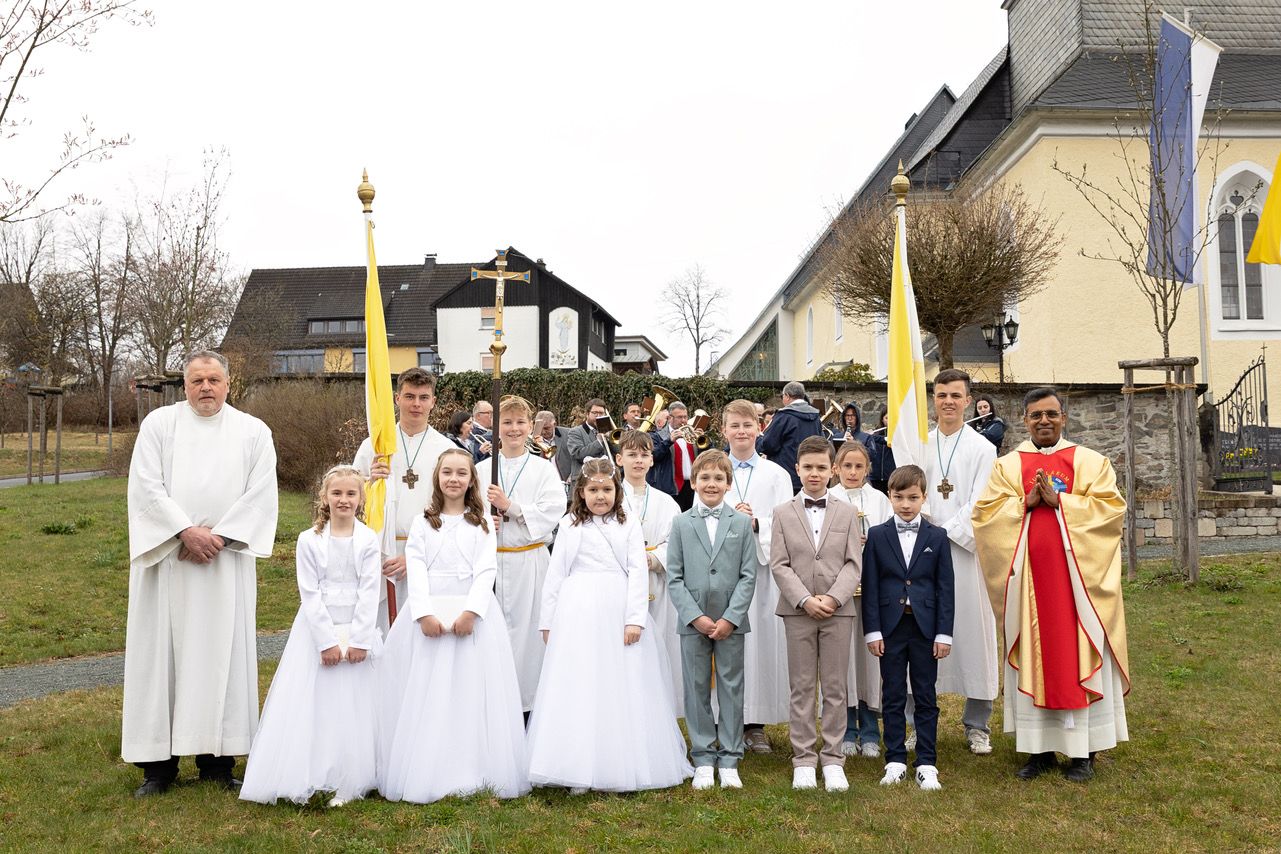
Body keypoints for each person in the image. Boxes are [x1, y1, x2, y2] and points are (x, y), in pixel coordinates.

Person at [122, 351, 279, 797]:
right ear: (184, 386)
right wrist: (184, 532)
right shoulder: (159, 426)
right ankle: (158, 767)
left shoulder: (252, 431)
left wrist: (220, 538)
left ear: (229, 384)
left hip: (223, 565)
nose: (206, 387)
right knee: (162, 660)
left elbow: (262, 493)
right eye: (197, 380)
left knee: (221, 656)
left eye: (214, 379)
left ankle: (218, 761)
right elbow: (145, 487)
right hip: (169, 562)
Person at [972, 387, 1129, 783]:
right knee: (1033, 654)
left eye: (1051, 414)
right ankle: (1037, 750)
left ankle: (1083, 753)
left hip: (1077, 589)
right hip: (1028, 586)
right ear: (1024, 420)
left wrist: (1063, 504)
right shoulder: (1007, 466)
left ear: (1064, 418)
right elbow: (986, 517)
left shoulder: (1092, 463)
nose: (1044, 421)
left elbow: (1111, 511)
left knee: (1076, 654)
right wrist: (1023, 503)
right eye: (1036, 415)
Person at [528, 458, 693, 793]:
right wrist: (548, 621)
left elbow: (636, 571)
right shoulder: (570, 524)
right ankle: (577, 764)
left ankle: (621, 761)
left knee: (620, 681)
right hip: (577, 611)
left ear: (616, 492)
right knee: (581, 682)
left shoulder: (628, 523)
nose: (600, 496)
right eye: (593, 490)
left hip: (617, 607)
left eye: (606, 489)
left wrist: (635, 619)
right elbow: (556, 574)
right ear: (581, 493)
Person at [378, 448, 529, 803]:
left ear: (471, 481)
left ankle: (472, 765)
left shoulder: (482, 524)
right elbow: (415, 567)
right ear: (437, 478)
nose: (454, 479)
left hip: (470, 615)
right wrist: (423, 613)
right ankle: (428, 763)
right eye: (447, 472)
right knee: (429, 689)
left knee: (469, 689)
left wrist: (472, 612)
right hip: (430, 612)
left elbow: (485, 569)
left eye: (462, 473)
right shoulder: (422, 522)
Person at [240, 466, 381, 806]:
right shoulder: (309, 540)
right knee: (316, 702)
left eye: (351, 494)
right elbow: (310, 592)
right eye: (337, 493)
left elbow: (370, 589)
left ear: (361, 499)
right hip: (319, 631)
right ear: (324, 498)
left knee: (354, 704)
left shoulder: (368, 539)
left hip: (355, 629)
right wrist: (327, 641)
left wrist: (359, 640)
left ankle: (354, 774)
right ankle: (314, 769)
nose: (344, 500)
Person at [769, 437, 862, 792]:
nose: (814, 473)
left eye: (822, 467)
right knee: (803, 686)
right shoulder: (782, 513)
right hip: (798, 611)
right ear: (797, 469)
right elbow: (779, 564)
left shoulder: (847, 512)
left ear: (833, 470)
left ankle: (834, 757)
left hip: (838, 611)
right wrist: (805, 599)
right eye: (808, 467)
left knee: (836, 687)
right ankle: (804, 758)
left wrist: (835, 599)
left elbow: (854, 563)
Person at [666, 450, 759, 791]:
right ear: (693, 482)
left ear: (728, 484)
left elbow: (748, 575)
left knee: (732, 687)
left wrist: (731, 618)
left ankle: (731, 756)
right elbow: (674, 576)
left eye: (719, 478)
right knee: (696, 687)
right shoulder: (680, 523)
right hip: (693, 623)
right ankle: (704, 755)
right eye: (704, 478)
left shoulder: (739, 524)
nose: (711, 484)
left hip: (730, 623)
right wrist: (695, 617)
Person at [862, 464, 954, 792]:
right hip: (890, 628)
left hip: (927, 629)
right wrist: (872, 631)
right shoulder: (877, 535)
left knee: (926, 694)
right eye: (898, 497)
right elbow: (870, 585)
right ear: (889, 497)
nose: (905, 504)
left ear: (924, 497)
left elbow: (946, 587)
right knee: (893, 693)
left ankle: (927, 762)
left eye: (913, 497)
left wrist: (944, 633)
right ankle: (896, 759)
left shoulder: (937, 536)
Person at [922, 368, 999, 756]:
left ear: (968, 400)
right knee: (919, 635)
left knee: (973, 634)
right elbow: (909, 491)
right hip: (921, 553)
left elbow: (980, 504)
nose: (948, 401)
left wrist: (942, 531)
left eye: (955, 395)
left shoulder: (983, 449)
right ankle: (917, 720)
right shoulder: (919, 444)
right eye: (941, 395)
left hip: (964, 555)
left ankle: (977, 723)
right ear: (933, 400)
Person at [478, 395, 569, 714]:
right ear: (496, 427)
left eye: (520, 422)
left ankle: (530, 708)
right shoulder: (480, 470)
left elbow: (554, 509)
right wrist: (483, 522)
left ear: (531, 427)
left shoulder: (543, 469)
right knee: (492, 638)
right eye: (507, 422)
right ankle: (494, 707)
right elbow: (465, 513)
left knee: (530, 640)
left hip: (530, 562)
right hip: (489, 565)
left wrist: (511, 508)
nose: (514, 428)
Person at [354, 367, 457, 634]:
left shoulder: (448, 450)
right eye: (409, 396)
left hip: (428, 553)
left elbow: (454, 510)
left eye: (423, 397)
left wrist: (415, 555)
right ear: (397, 399)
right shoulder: (374, 446)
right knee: (382, 632)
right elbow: (348, 500)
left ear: (433, 402)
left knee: (418, 632)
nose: (416, 404)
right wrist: (368, 484)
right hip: (382, 550)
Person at [721, 398, 794, 755]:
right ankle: (726, 721)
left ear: (759, 429)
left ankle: (755, 724)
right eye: (734, 426)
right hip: (723, 574)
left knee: (758, 647)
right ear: (724, 431)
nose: (741, 432)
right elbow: (698, 510)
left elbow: (786, 523)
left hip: (761, 573)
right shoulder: (713, 468)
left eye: (748, 425)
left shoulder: (776, 474)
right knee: (725, 645)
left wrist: (755, 523)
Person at [829, 440, 893, 760]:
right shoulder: (828, 499)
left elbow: (891, 535)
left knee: (870, 662)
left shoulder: (879, 500)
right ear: (835, 469)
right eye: (847, 466)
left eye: (859, 467)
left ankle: (870, 728)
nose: (853, 473)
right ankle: (846, 730)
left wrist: (874, 541)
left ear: (868, 469)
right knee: (843, 662)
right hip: (839, 591)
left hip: (873, 588)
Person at [616, 429, 684, 714]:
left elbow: (676, 543)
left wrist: (653, 559)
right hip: (619, 585)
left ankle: (658, 711)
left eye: (644, 455)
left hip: (656, 583)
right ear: (619, 459)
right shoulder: (610, 498)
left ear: (652, 461)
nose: (638, 461)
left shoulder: (666, 502)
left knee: (658, 649)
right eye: (632, 455)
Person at [758, 381, 822, 492]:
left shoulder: (784, 416)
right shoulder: (815, 416)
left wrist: (758, 439)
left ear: (787, 396)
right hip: (810, 477)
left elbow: (768, 445)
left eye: (782, 396)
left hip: (786, 478)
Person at [650, 401, 700, 511]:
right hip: (672, 487)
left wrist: (704, 442)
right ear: (669, 418)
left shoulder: (691, 433)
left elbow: (705, 456)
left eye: (685, 417)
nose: (683, 420)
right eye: (679, 417)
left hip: (693, 486)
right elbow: (653, 457)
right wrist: (669, 441)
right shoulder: (658, 436)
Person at [565, 398, 609, 484]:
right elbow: (577, 454)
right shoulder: (575, 432)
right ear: (587, 414)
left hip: (605, 479)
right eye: (595, 413)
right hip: (583, 481)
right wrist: (599, 442)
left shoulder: (607, 431)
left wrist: (610, 439)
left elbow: (618, 454)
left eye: (601, 413)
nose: (598, 416)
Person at [535, 409, 573, 483]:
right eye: (540, 428)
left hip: (568, 483)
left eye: (546, 428)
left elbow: (578, 458)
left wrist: (573, 476)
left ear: (554, 424)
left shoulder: (569, 434)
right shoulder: (532, 440)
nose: (543, 432)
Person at [865, 410, 894, 495]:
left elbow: (888, 441)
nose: (888, 421)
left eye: (891, 418)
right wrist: (868, 436)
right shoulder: (876, 434)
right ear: (882, 419)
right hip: (875, 476)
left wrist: (875, 437)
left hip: (890, 476)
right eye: (886, 418)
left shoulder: (897, 435)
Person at [468, 399, 494, 464]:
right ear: (478, 416)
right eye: (489, 413)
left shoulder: (487, 432)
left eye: (493, 413)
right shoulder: (472, 432)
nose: (492, 416)